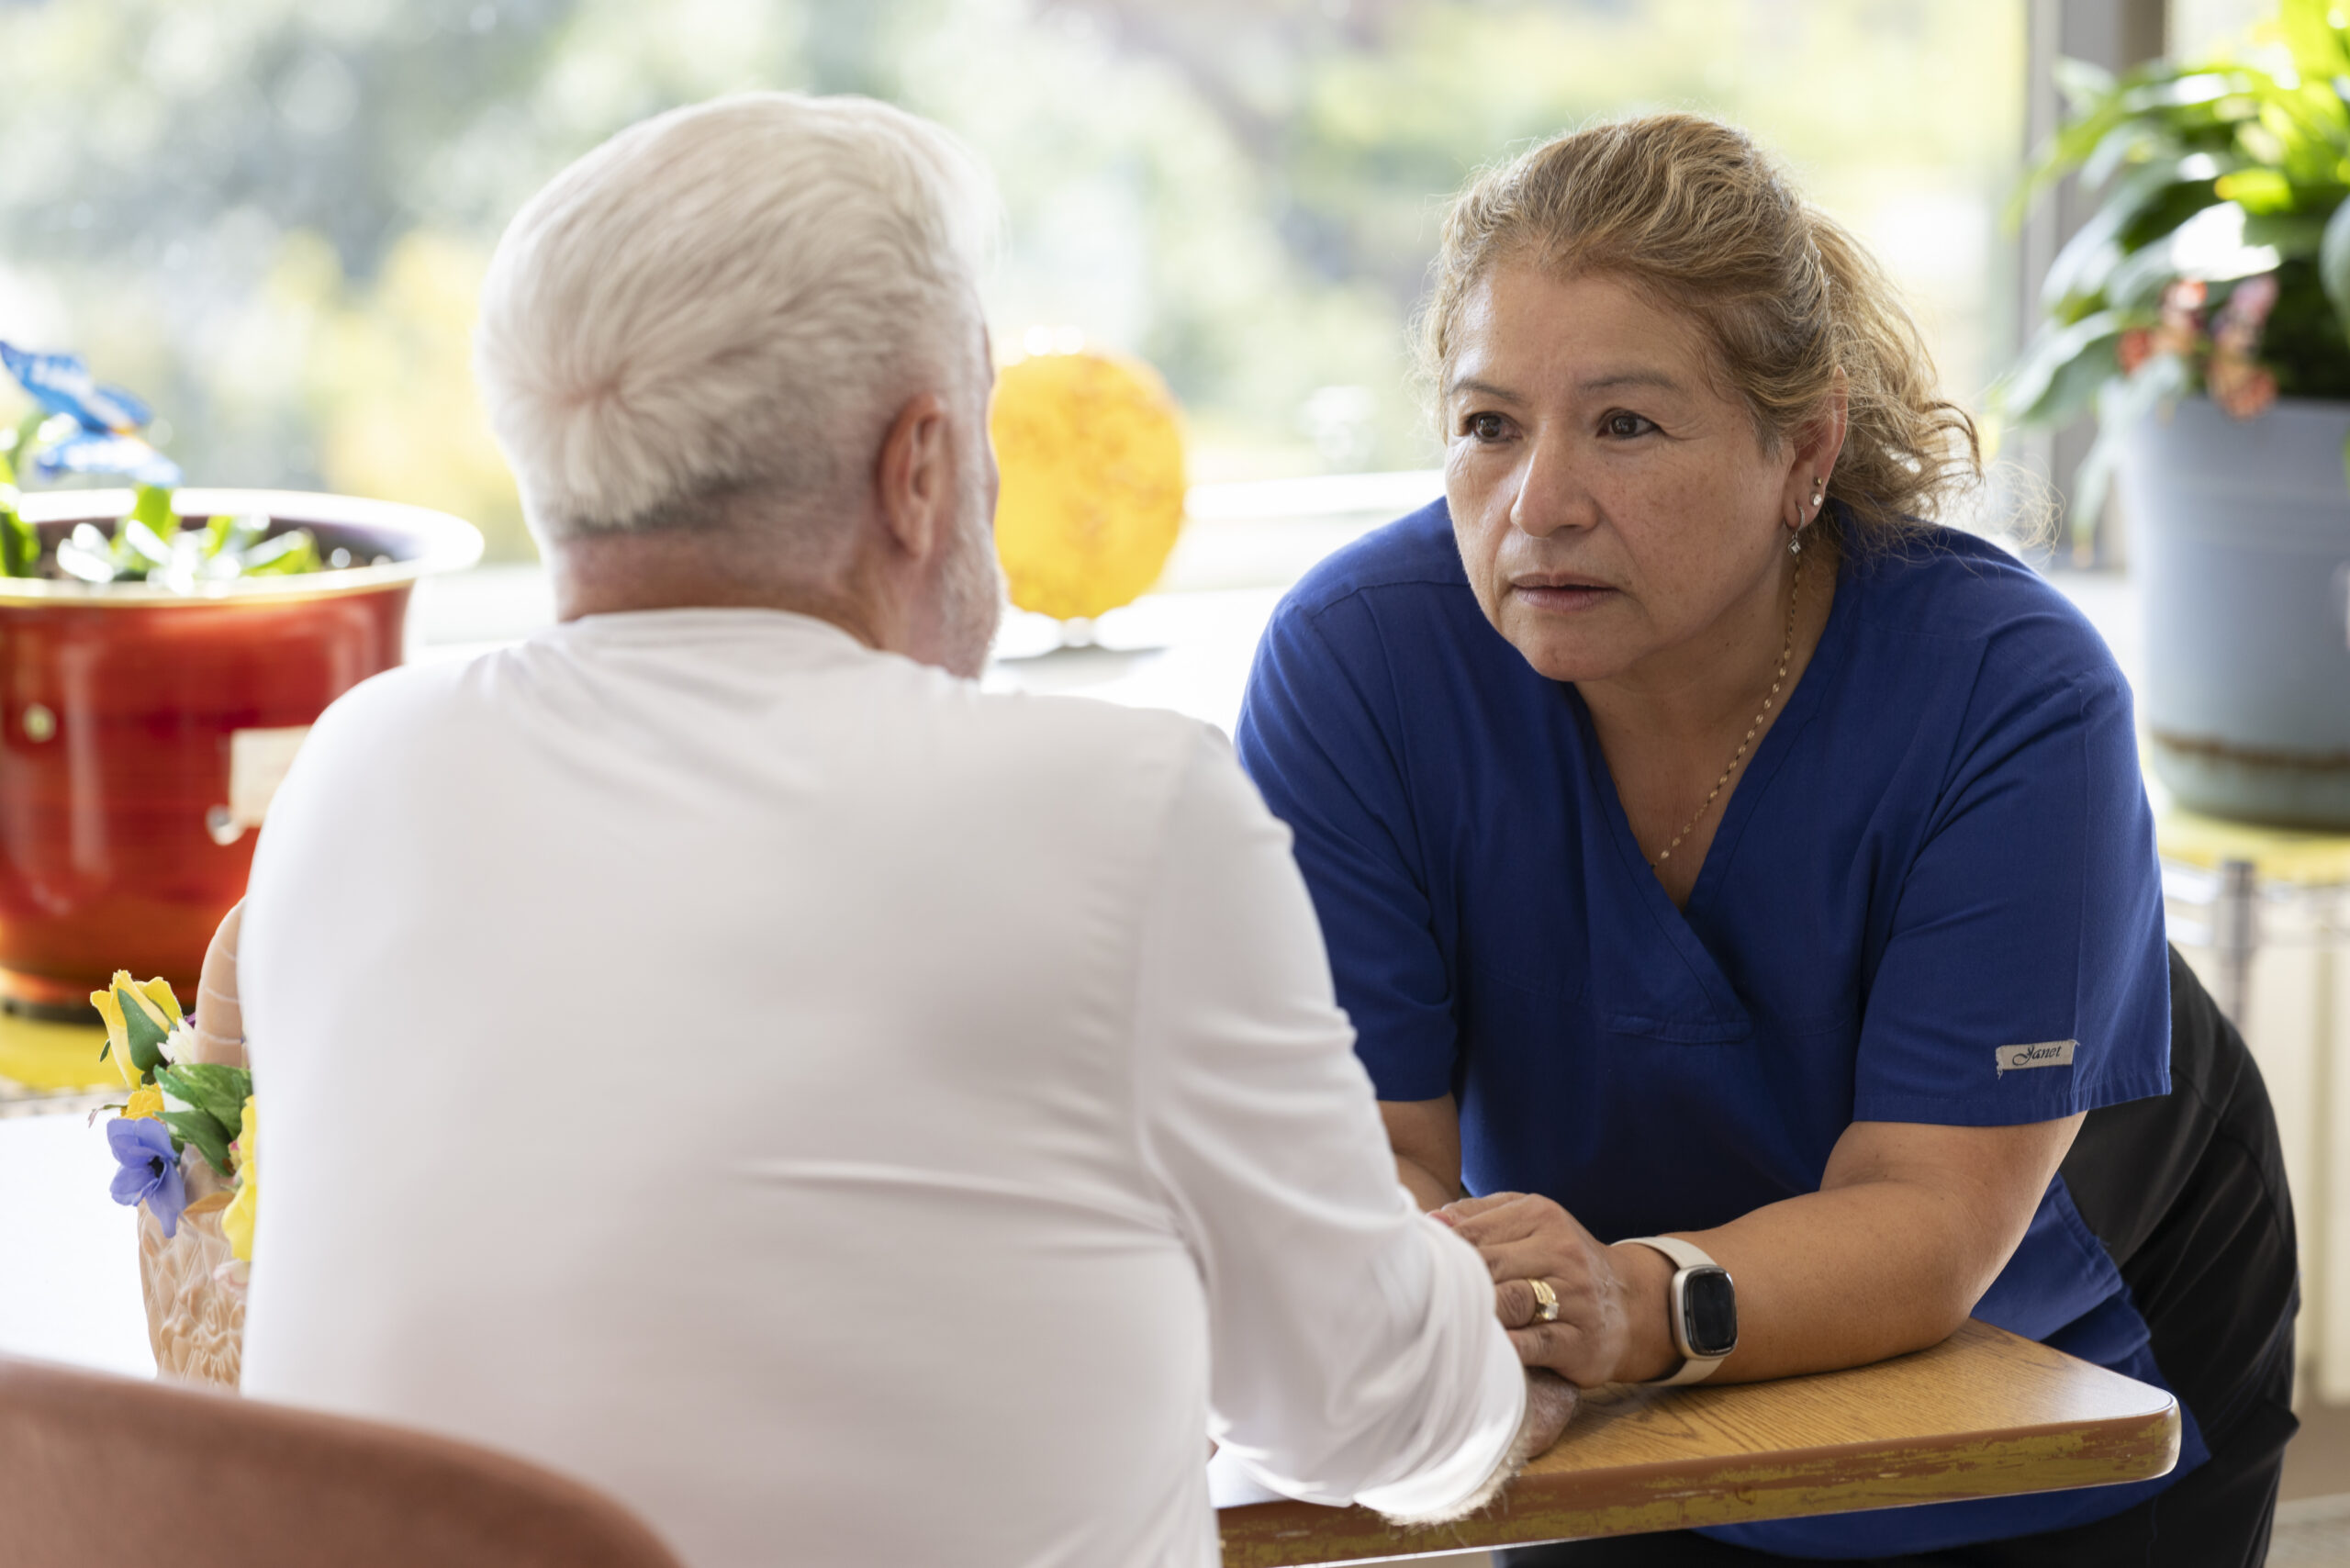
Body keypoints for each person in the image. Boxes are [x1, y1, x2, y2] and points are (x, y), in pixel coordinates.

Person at [230, 93, 1571, 1568]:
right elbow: (1375, 1414)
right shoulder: (1115, 815)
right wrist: (1509, 1339)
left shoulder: (356, 773)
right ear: (921, 466)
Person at [1236, 113, 2298, 1564]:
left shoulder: (2009, 690)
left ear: (1805, 452)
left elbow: (1931, 1217)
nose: (1539, 503)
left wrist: (1630, 1301)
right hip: (1620, 1364)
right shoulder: (1359, 666)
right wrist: (1484, 1303)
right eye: (1489, 425)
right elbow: (1366, 1153)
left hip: (2055, 1331)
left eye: (1625, 425)